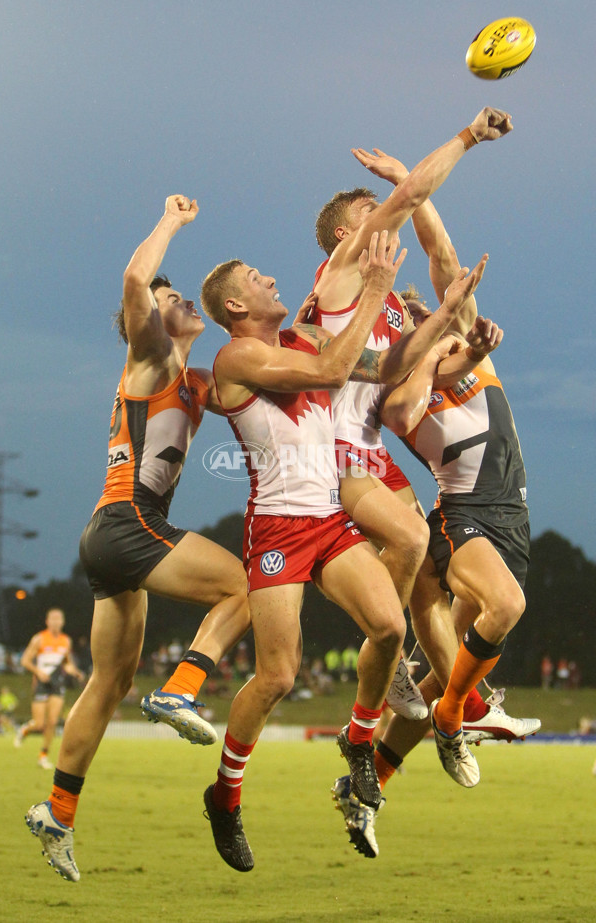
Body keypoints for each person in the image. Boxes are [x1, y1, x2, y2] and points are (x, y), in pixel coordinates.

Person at [199, 221, 489, 868]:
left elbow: (382, 367)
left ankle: (360, 740)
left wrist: (445, 313)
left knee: (389, 624)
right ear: (237, 308)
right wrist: (376, 287)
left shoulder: (307, 338)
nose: (271, 278)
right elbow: (333, 372)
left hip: (328, 518)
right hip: (276, 527)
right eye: (255, 278)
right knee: (277, 674)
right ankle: (225, 795)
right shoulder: (236, 358)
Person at [25, 195, 252, 883]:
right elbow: (133, 282)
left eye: (180, 294)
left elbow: (258, 387)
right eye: (168, 296)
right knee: (241, 584)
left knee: (110, 679)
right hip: (130, 521)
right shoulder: (150, 354)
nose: (176, 298)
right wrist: (172, 222)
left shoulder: (194, 378)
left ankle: (58, 813)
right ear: (146, 320)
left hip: (108, 531)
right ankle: (183, 687)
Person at [334, 168, 538, 853]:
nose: (447, 325)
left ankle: (366, 792)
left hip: (510, 517)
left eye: (443, 318)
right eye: (429, 323)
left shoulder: (475, 357)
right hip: (463, 516)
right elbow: (398, 405)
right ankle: (459, 716)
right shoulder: (406, 393)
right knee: (504, 608)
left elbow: (445, 260)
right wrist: (429, 348)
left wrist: (413, 188)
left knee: (434, 670)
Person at [308, 109, 514, 722]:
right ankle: (388, 656)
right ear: (352, 231)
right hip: (336, 450)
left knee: (428, 579)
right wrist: (468, 136)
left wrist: (467, 348)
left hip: (369, 442)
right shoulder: (338, 278)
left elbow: (412, 364)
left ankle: (464, 713)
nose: (388, 217)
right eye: (375, 211)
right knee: (415, 542)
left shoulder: (392, 300)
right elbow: (396, 385)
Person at [16, 608, 84, 769]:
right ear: (47, 621)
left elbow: (66, 663)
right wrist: (38, 672)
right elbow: (25, 661)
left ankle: (43, 756)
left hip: (56, 683)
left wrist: (75, 671)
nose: (55, 622)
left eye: (58, 619)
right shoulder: (39, 639)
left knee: (52, 722)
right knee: (39, 724)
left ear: (62, 622)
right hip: (41, 683)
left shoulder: (66, 641)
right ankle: (25, 730)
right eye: (52, 619)